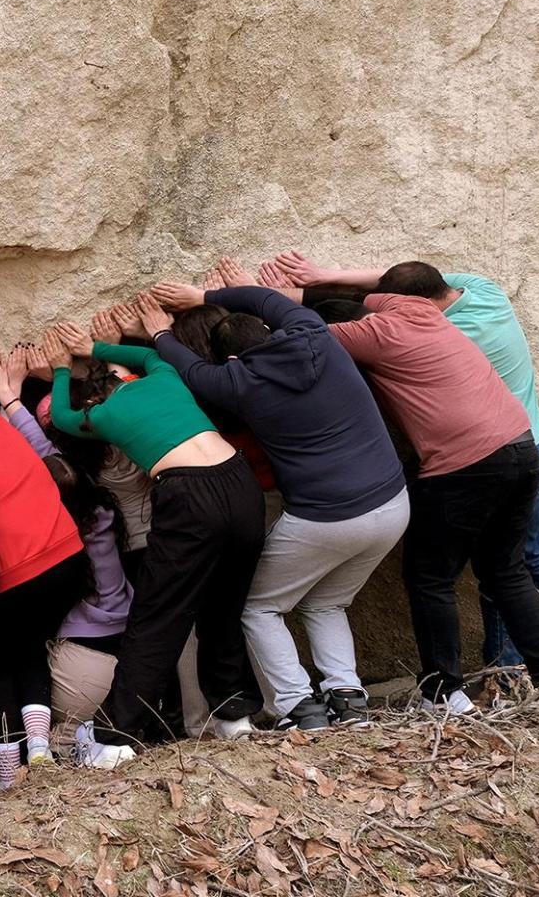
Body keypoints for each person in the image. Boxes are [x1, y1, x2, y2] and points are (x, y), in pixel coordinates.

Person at [271, 252, 539, 682]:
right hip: (528, 441)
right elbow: (396, 279)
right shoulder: (484, 292)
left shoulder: (419, 331)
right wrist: (327, 275)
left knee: (461, 571)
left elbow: (329, 336)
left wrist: (279, 298)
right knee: (507, 565)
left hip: (472, 459)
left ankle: (537, 663)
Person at [147, 274, 409, 730]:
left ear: (231, 358)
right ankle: (347, 699)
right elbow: (261, 296)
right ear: (269, 330)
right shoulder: (316, 335)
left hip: (326, 519)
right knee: (326, 603)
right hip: (393, 503)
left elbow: (189, 370)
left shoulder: (238, 383)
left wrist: (157, 334)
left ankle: (297, 705)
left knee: (258, 606)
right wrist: (205, 295)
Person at [303, 285, 539, 713]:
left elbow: (304, 336)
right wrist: (313, 282)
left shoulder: (372, 335)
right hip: (521, 447)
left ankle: (444, 693)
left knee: (431, 578)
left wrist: (258, 296)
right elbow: (391, 284)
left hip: (465, 464)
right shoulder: (418, 311)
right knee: (506, 569)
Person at [46, 318, 265, 767]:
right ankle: (234, 714)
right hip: (240, 483)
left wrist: (60, 368)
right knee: (224, 605)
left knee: (157, 615)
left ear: (98, 396)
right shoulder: (164, 375)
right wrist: (99, 345)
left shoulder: (105, 415)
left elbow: (64, 419)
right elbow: (149, 354)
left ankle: (115, 736)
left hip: (188, 493)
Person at [0, 349, 133, 737]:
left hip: (76, 671)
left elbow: (45, 463)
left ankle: (35, 748)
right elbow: (54, 462)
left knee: (6, 661)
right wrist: (7, 399)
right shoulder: (99, 511)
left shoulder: (56, 537)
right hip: (125, 656)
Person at [0, 356, 87, 788]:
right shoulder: (10, 439)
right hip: (67, 560)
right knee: (30, 651)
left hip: (17, 574)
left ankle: (9, 773)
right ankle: (40, 750)